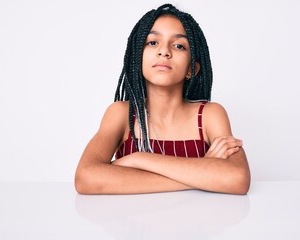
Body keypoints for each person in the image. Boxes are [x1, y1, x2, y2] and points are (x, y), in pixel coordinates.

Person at [75, 4, 250, 195]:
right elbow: (86, 178)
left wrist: (139, 159)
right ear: (137, 58)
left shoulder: (210, 115)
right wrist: (203, 175)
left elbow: (237, 180)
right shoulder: (120, 113)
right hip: (131, 224)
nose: (164, 51)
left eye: (179, 46)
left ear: (192, 69)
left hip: (196, 223)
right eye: (152, 42)